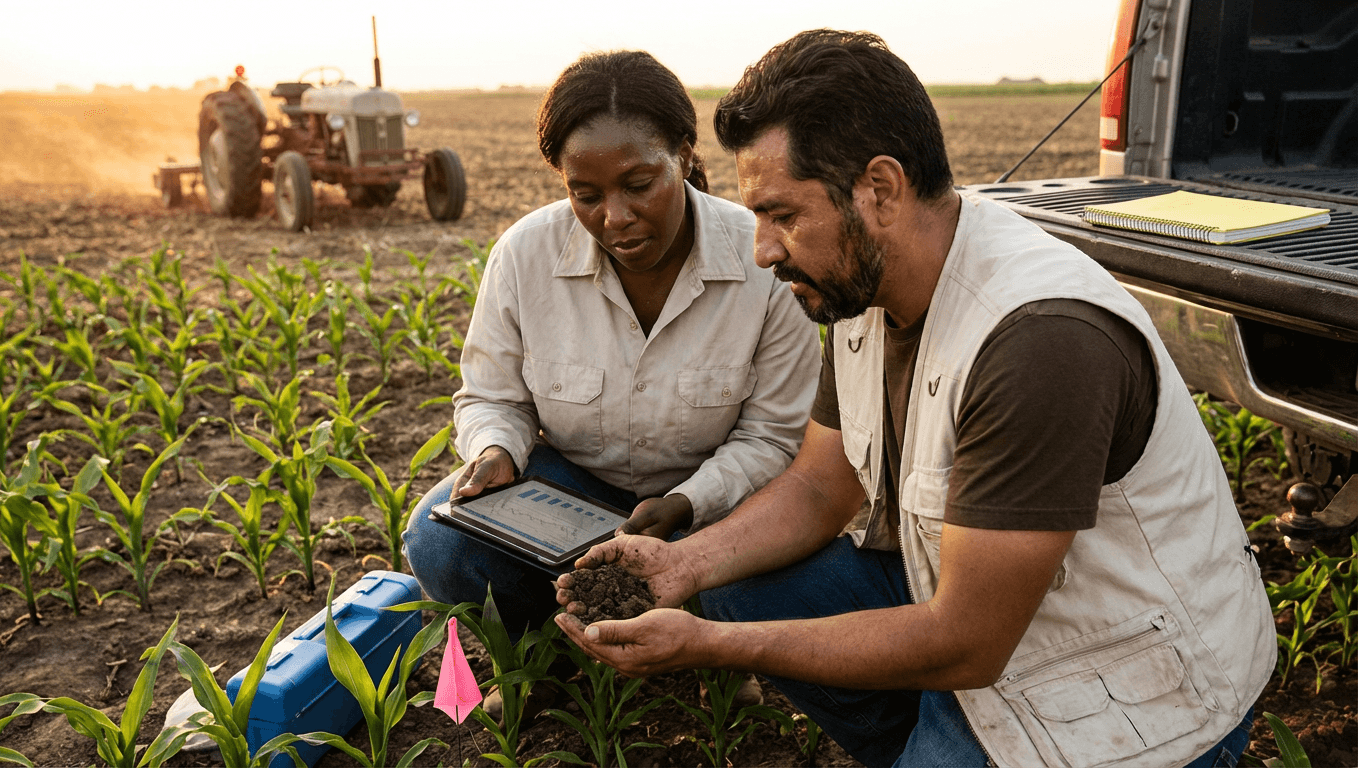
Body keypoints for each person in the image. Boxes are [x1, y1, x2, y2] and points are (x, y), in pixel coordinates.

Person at [555, 30, 1275, 768]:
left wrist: (713, 646)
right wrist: (686, 564)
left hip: (1127, 687)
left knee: (755, 620)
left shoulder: (1039, 341)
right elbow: (818, 486)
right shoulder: (858, 288)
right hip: (983, 615)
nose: (762, 251)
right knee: (743, 580)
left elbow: (968, 640)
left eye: (783, 216)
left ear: (880, 189)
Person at [402, 50, 819, 644]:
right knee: (440, 542)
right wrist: (495, 451)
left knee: (789, 570)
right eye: (586, 195)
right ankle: (546, 656)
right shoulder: (525, 255)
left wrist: (684, 502)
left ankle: (716, 650)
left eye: (638, 185)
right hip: (571, 501)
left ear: (682, 154)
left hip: (708, 510)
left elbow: (773, 436)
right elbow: (493, 397)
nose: (615, 217)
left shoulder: (763, 261)